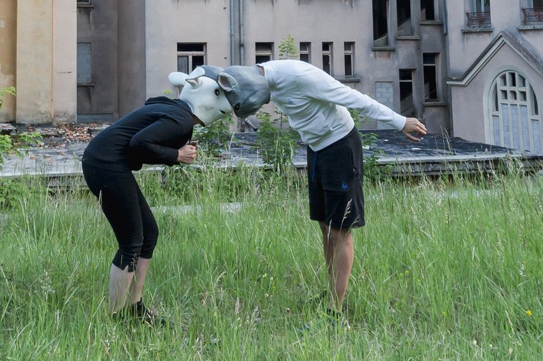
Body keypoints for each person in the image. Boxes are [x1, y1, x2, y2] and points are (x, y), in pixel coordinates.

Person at [196, 61, 425, 309]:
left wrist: (399, 121)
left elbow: (354, 98)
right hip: (316, 149)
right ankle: (332, 293)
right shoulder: (250, 77)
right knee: (325, 227)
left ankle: (335, 309)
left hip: (340, 146)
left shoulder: (302, 76)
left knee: (340, 231)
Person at [79, 70, 231, 320]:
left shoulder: (175, 111)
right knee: (131, 242)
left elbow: (140, 141)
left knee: (148, 234)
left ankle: (135, 307)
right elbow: (139, 143)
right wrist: (176, 156)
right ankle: (117, 317)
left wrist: (173, 153)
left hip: (105, 161)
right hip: (105, 164)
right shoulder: (181, 119)